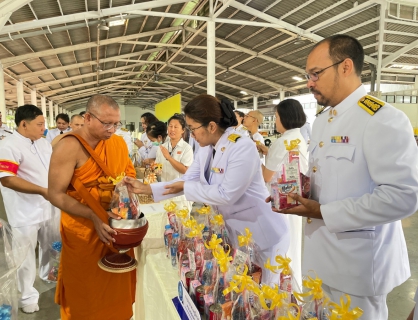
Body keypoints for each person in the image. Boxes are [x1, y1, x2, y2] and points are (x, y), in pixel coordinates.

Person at [273, 35, 418, 319]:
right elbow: (327, 181)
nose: (309, 82)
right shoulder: (324, 121)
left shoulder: (382, 119)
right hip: (319, 261)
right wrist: (294, 194)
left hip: (358, 267)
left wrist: (324, 211)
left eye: (315, 74)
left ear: (345, 66)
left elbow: (404, 196)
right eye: (308, 75)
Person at [125, 94, 289, 284]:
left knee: (264, 297)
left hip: (262, 234)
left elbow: (226, 194)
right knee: (241, 294)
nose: (191, 135)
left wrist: (186, 186)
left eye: (193, 128)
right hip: (237, 236)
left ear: (211, 126)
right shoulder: (205, 149)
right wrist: (147, 189)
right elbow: (186, 180)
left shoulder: (241, 146)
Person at [48, 95, 136, 320]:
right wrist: (93, 215)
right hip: (83, 230)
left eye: (116, 123)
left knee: (117, 286)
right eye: (106, 123)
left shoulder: (117, 143)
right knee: (86, 291)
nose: (112, 129)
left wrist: (126, 197)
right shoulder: (69, 146)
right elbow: (55, 194)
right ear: (87, 118)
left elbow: (127, 174)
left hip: (115, 227)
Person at [0, 104, 56, 314]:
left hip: (49, 206)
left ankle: (49, 277)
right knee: (26, 255)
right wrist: (41, 190)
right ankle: (27, 296)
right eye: (39, 124)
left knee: (50, 246)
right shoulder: (8, 145)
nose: (43, 128)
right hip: (24, 210)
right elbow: (8, 180)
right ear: (23, 124)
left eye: (44, 124)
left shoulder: (44, 144)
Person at [261, 99, 307, 281]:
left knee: (278, 248)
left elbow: (266, 176)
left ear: (285, 118)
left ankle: (278, 288)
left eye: (277, 117)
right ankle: (292, 287)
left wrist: (255, 162)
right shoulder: (298, 138)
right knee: (292, 247)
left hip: (279, 201)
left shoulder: (281, 142)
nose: (275, 121)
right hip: (295, 197)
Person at [155, 114, 193, 206]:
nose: (172, 129)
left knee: (181, 219)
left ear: (183, 130)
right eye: (170, 126)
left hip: (180, 196)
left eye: (176, 127)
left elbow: (185, 170)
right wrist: (155, 169)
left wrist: (168, 157)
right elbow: (157, 166)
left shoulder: (186, 148)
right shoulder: (162, 147)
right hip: (165, 192)